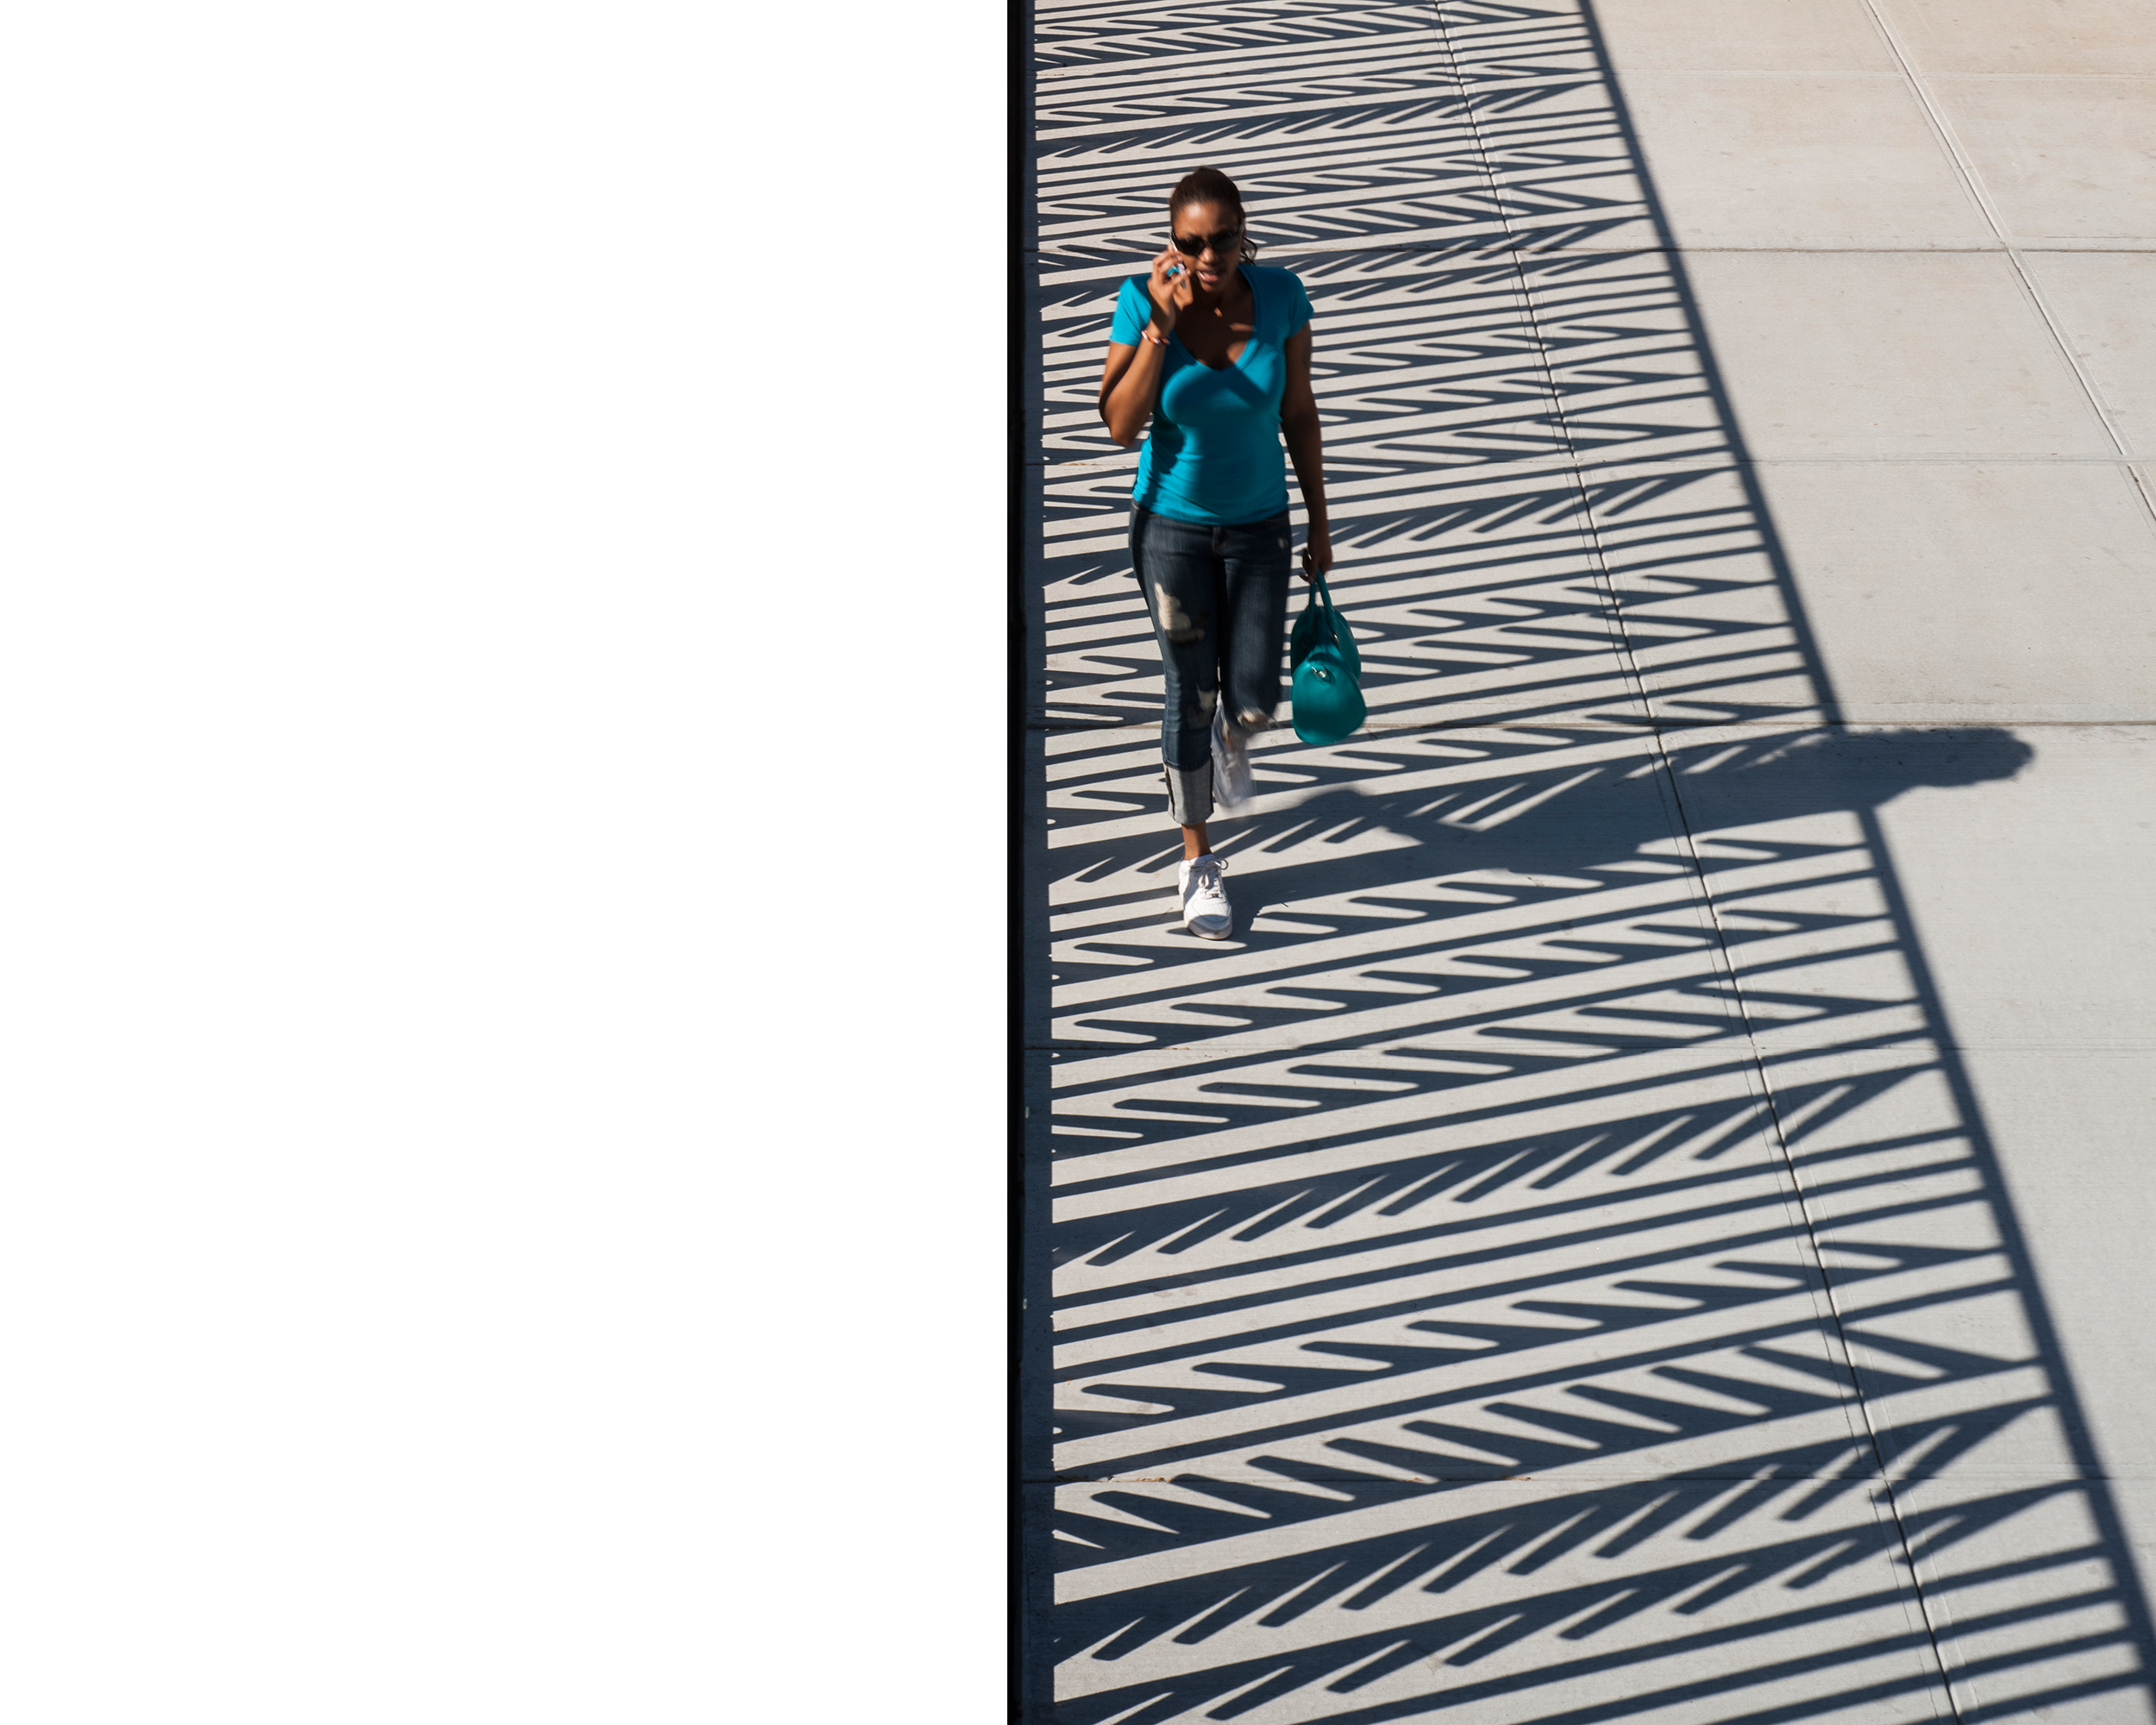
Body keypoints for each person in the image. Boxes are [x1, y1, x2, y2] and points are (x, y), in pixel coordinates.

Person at [1097, 165, 1333, 940]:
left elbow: (1298, 412)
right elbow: (1119, 425)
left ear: (1243, 231)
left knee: (1257, 693)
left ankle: (1231, 741)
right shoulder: (1142, 302)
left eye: (1221, 238)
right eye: (1189, 242)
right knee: (1189, 691)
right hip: (1171, 528)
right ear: (1174, 240)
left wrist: (1321, 521)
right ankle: (1198, 859)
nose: (1207, 255)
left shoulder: (1283, 296)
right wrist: (1161, 327)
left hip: (1261, 525)